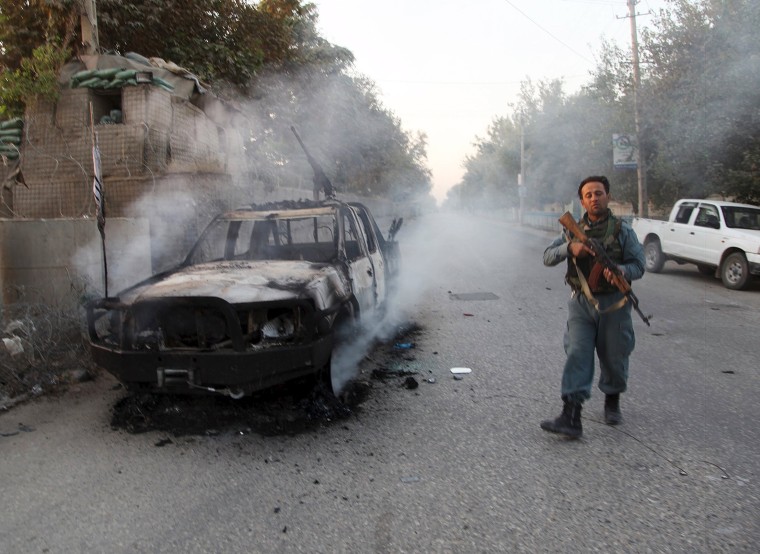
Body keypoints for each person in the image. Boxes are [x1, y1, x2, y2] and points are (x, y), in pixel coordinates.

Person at [541, 176, 645, 439]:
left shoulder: (623, 231)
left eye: (598, 193)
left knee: (614, 355)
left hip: (614, 305)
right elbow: (547, 257)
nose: (594, 198)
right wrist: (570, 248)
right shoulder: (570, 230)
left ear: (608, 196)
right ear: (582, 201)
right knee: (577, 353)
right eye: (588, 195)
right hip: (581, 303)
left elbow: (639, 265)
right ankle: (571, 416)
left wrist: (620, 270)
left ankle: (612, 399)